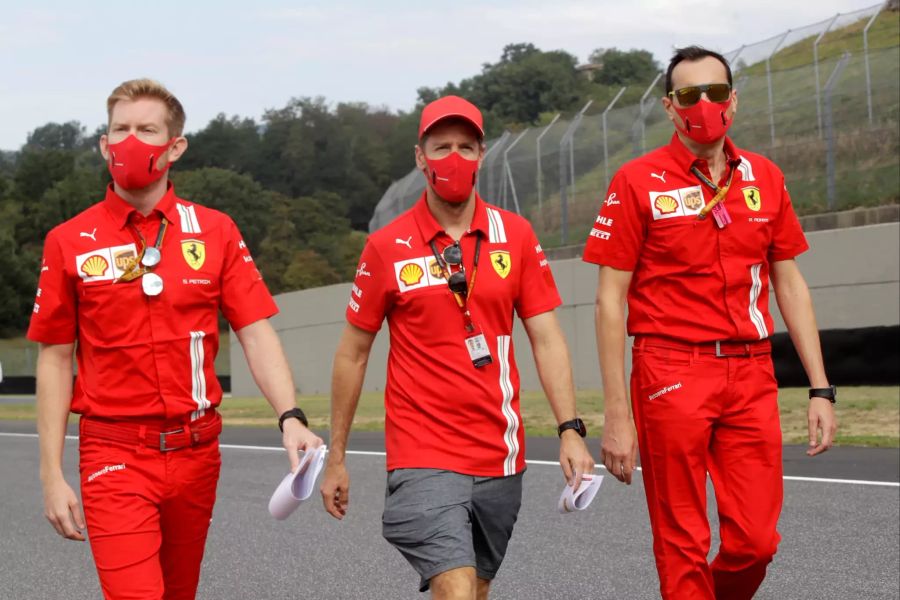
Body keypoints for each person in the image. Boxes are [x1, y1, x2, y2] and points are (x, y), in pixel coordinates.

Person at [28, 78, 322, 600]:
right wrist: (51, 473)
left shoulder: (216, 230)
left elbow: (254, 330)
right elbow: (54, 358)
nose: (130, 141)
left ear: (175, 146)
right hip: (113, 453)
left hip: (196, 452)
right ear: (103, 143)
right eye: (120, 129)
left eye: (146, 130)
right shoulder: (69, 240)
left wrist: (290, 416)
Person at [583, 47, 837, 600]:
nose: (705, 105)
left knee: (756, 541)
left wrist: (821, 387)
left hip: (751, 373)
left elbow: (789, 283)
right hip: (669, 371)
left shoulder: (764, 177)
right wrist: (617, 414)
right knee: (683, 542)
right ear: (671, 108)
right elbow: (609, 301)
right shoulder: (636, 181)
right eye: (690, 95)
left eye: (716, 93)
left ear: (733, 100)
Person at [320, 95, 594, 599]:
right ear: (420, 156)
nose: (454, 158)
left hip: (499, 453)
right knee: (457, 588)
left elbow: (547, 337)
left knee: (476, 587)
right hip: (422, 451)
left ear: (482, 154)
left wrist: (570, 430)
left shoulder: (515, 236)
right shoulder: (387, 246)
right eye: (440, 146)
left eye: (465, 147)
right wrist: (336, 455)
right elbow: (352, 353)